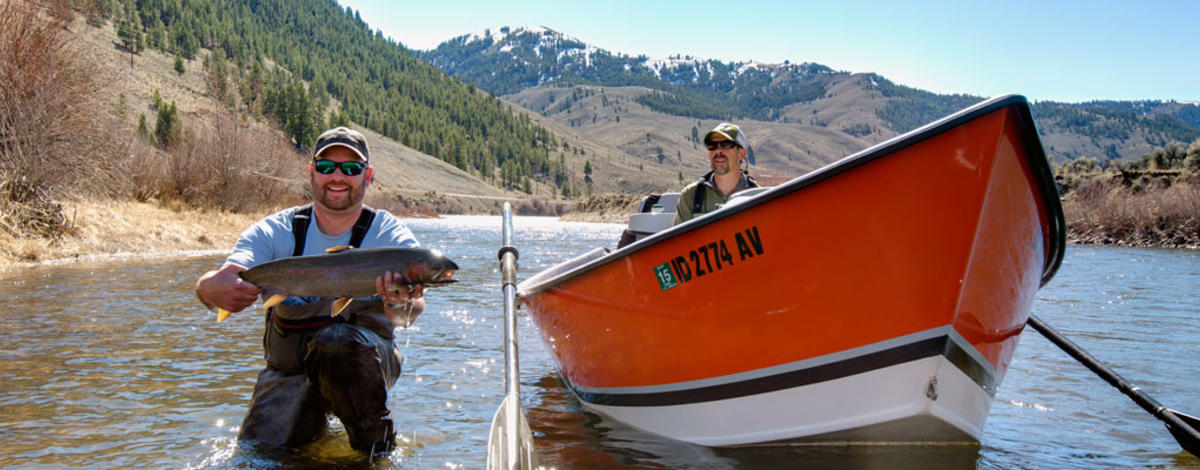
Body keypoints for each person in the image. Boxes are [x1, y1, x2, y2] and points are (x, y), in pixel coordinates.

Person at [195, 126, 424, 453]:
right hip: (290, 371)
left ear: (367, 175)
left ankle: (375, 452)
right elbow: (229, 274)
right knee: (260, 454)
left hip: (365, 364)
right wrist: (208, 288)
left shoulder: (389, 235)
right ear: (312, 172)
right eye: (327, 166)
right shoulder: (277, 230)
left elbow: (413, 312)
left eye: (351, 168)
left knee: (337, 343)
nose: (338, 176)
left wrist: (401, 305)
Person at [673, 122, 759, 224]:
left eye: (726, 145)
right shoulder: (691, 196)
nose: (718, 151)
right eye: (712, 146)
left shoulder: (758, 196)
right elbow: (681, 239)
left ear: (741, 153)